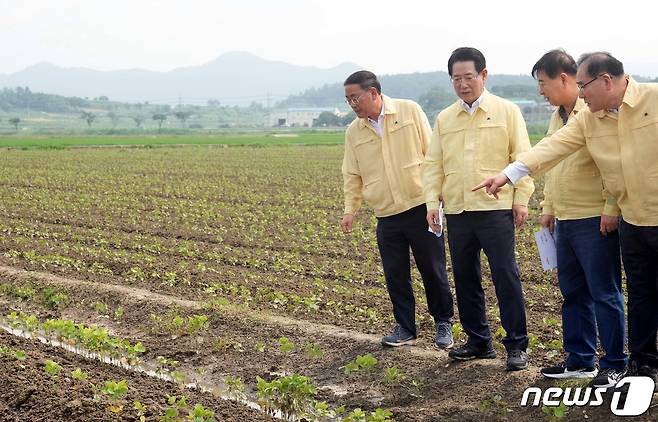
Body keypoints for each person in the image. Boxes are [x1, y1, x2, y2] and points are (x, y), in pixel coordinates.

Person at [474, 52, 658, 382]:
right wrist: (510, 174)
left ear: (605, 81)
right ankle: (643, 364)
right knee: (642, 296)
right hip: (633, 220)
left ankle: (622, 360)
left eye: (584, 85)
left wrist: (608, 209)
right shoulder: (588, 119)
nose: (582, 93)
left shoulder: (653, 100)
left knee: (610, 293)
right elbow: (553, 147)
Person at [422, 48, 535, 371]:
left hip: (494, 208)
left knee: (505, 276)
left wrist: (521, 199)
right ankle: (478, 341)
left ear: (484, 75)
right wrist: (433, 202)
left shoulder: (507, 111)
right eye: (456, 79)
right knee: (465, 277)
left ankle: (516, 345)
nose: (462, 84)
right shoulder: (445, 118)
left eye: (468, 77)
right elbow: (434, 165)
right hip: (457, 211)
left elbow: (522, 158)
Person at [530, 49, 627, 387]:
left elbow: (615, 166)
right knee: (572, 292)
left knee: (604, 292)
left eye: (543, 83)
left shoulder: (595, 111)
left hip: (593, 218)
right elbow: (554, 165)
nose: (541, 90)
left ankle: (615, 362)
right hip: (566, 219)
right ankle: (580, 358)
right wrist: (548, 208)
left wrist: (610, 208)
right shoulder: (559, 116)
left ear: (564, 79)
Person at [340, 70, 454, 348]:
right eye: (347, 100)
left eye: (355, 98)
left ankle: (443, 323)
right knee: (395, 274)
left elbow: (432, 155)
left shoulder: (408, 111)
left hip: (420, 207)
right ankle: (405, 327)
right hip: (386, 214)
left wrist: (437, 197)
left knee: (433, 269)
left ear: (374, 93)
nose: (352, 104)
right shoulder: (354, 132)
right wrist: (350, 210)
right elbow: (352, 174)